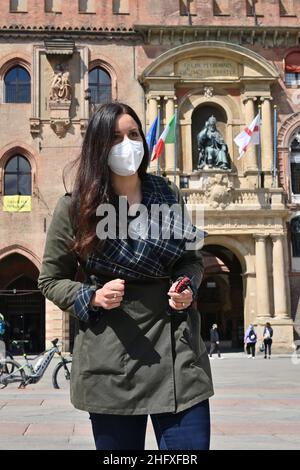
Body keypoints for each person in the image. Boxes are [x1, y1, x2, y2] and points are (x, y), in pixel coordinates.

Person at [38, 102, 214, 451]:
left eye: (133, 135)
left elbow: (191, 259)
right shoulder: (74, 207)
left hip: (177, 354)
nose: (128, 144)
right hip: (112, 357)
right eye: (116, 137)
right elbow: (50, 279)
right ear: (98, 147)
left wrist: (186, 285)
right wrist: (91, 296)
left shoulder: (167, 194)